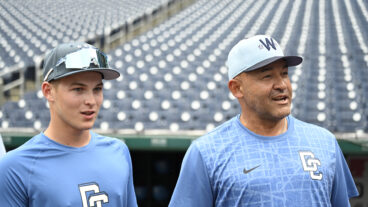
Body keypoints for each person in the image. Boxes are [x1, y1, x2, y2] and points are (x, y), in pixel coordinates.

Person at [169, 35, 358, 206]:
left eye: (284, 74)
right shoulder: (206, 152)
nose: (282, 85)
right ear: (237, 88)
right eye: (267, 76)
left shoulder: (325, 142)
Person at [0, 42, 138, 207]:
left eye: (97, 89)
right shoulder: (14, 167)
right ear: (48, 91)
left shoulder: (118, 151)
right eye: (78, 89)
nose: (91, 101)